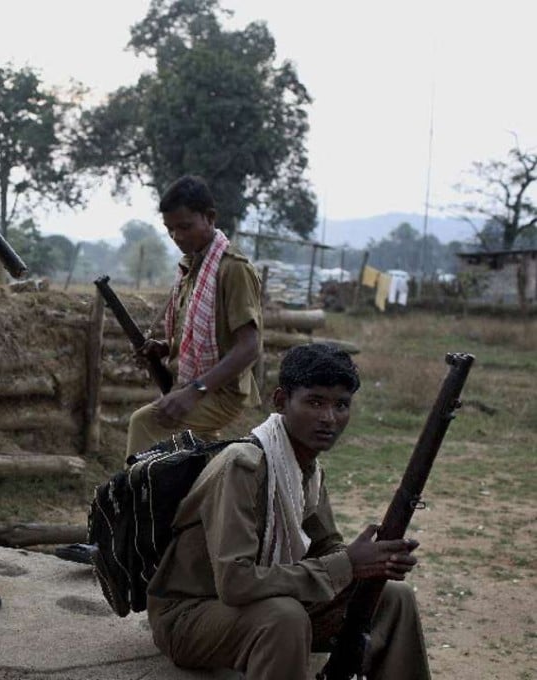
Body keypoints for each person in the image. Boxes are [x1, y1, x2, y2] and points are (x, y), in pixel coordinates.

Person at [147, 343, 430, 680]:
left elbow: (327, 547)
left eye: (341, 405)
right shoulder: (243, 467)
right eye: (315, 402)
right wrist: (347, 563)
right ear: (281, 401)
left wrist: (374, 560)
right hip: (189, 615)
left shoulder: (306, 468)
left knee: (393, 596)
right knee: (284, 617)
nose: (329, 418)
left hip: (254, 604)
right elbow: (236, 582)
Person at [126, 175, 262, 458]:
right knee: (188, 462)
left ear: (210, 217)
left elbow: (249, 347)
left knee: (144, 424)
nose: (177, 236)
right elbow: (197, 336)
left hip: (221, 391)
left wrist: (194, 392)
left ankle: (133, 501)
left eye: (185, 226)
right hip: (191, 385)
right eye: (170, 229)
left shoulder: (232, 269)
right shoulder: (191, 267)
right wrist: (163, 347)